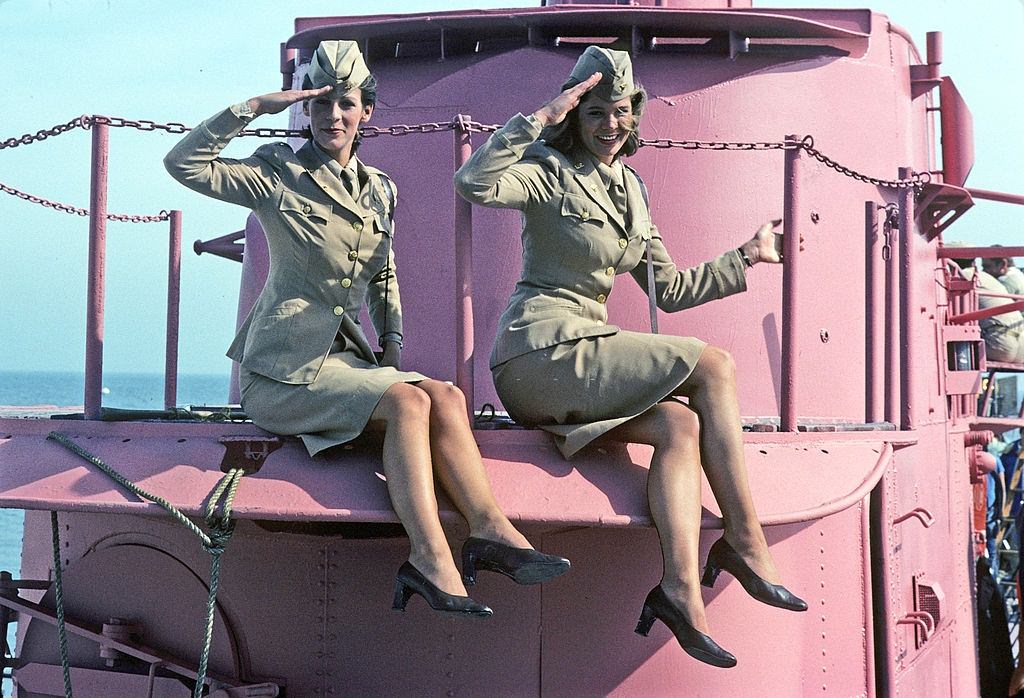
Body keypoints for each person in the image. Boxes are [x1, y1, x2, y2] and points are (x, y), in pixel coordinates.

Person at [165, 40, 569, 619]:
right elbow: (184, 165)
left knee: (445, 395)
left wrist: (392, 349)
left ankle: (490, 531)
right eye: (322, 103)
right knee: (407, 405)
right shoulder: (277, 173)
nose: (334, 115)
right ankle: (429, 557)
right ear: (307, 109)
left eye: (346, 103)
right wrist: (254, 106)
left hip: (345, 363)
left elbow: (384, 277)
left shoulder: (379, 189)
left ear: (367, 113)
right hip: (280, 370)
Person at [455, 46, 805, 668]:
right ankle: (745, 540)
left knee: (680, 423)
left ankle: (679, 588)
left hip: (586, 351)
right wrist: (545, 113)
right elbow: (474, 183)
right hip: (538, 351)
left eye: (620, 110)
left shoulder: (634, 191)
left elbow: (667, 290)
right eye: (594, 112)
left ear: (634, 112)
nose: (610, 124)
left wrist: (747, 255)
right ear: (576, 114)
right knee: (714, 364)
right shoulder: (547, 168)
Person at [952, 255, 1024, 363]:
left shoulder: (963, 276)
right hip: (1021, 349)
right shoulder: (987, 277)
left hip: (1000, 346)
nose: (985, 269)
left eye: (987, 266)